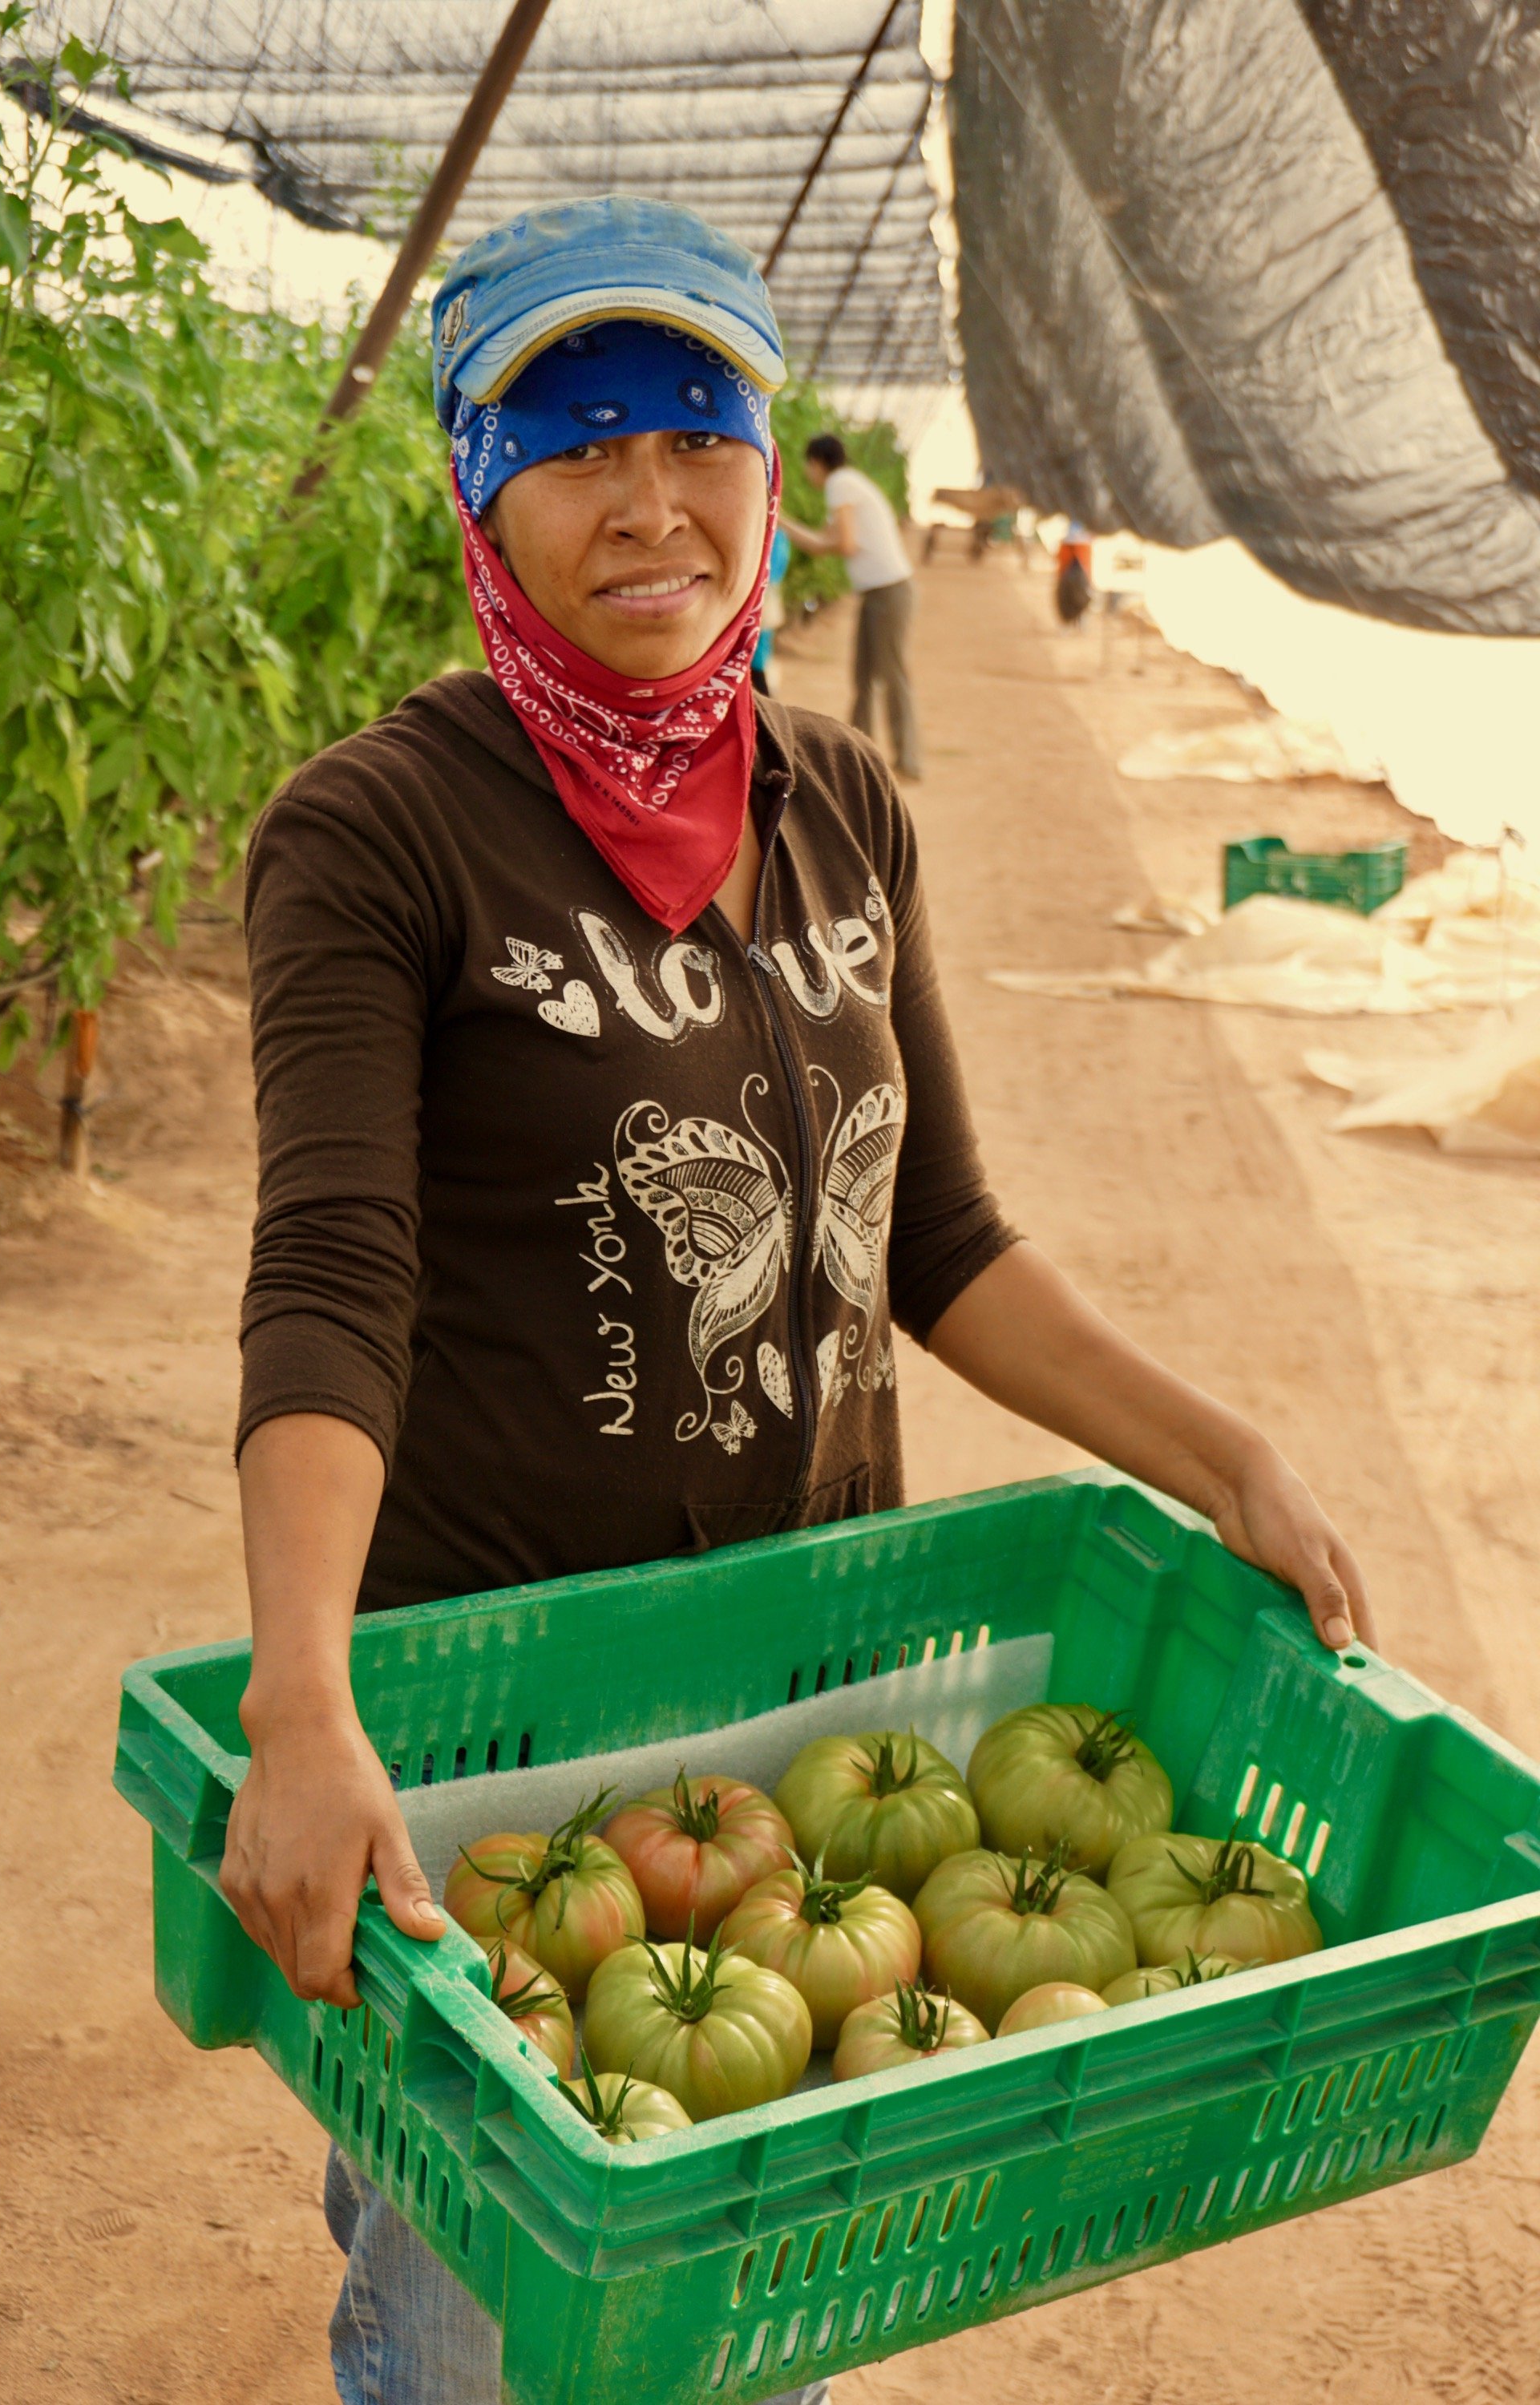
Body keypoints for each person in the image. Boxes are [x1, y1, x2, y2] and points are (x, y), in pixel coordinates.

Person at [220, 193, 1372, 2405]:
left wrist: (1227, 1452)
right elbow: (333, 1272)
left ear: (771, 457)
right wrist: (301, 1698)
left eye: (695, 429)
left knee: (750, 2284)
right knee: (480, 2332)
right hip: (498, 1720)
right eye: (567, 443)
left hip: (803, 1710)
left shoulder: (843, 802)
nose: (647, 500)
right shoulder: (378, 834)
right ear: (476, 487)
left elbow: (930, 1237)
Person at [782, 432, 923, 781]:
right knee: (864, 676)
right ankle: (860, 760)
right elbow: (820, 544)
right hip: (881, 593)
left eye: (808, 466)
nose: (807, 473)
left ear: (817, 463)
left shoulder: (840, 484)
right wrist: (779, 518)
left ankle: (908, 761)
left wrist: (781, 518)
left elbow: (843, 543)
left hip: (888, 592)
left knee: (892, 675)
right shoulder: (849, 485)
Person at [751, 520, 790, 693]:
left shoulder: (770, 534)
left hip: (763, 595)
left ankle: (764, 695)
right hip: (769, 595)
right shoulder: (780, 535)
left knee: (758, 650)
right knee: (763, 647)